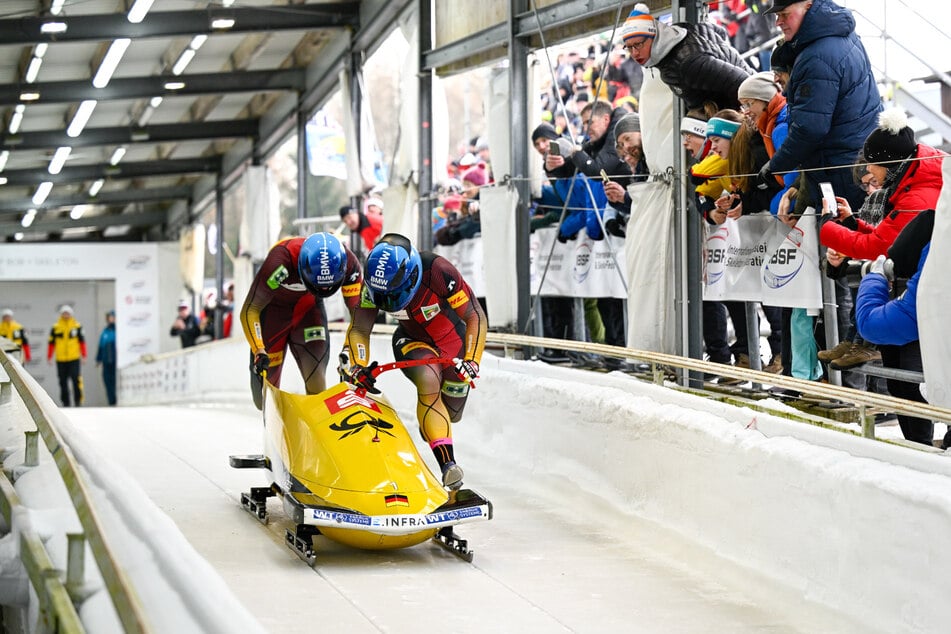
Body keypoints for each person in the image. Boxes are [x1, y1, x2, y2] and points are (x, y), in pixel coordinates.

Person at [342, 233, 487, 489]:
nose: (386, 302)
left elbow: (475, 315)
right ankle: (448, 465)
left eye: (392, 294)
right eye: (381, 296)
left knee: (453, 413)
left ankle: (432, 426)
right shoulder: (373, 285)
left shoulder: (438, 271)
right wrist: (358, 366)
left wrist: (472, 360)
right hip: (411, 342)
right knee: (428, 378)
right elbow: (358, 330)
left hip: (454, 345)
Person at [759, 0, 881, 215]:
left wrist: (775, 166)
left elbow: (810, 128)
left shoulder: (817, 56)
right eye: (776, 15)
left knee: (840, 245)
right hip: (855, 162)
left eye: (785, 14)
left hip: (839, 172)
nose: (778, 22)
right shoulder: (843, 37)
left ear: (807, 5)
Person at [240, 232, 363, 410]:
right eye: (318, 286)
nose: (324, 289)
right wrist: (259, 349)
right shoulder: (281, 260)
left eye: (329, 286)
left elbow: (360, 318)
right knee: (263, 398)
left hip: (308, 313)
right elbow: (250, 310)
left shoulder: (349, 264)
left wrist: (349, 352)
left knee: (317, 383)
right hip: (273, 317)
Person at [855, 210, 936, 446]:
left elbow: (872, 323)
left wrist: (875, 277)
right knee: (902, 381)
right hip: (906, 296)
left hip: (906, 306)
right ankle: (919, 445)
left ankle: (920, 446)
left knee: (911, 381)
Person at [620, 2, 752, 112]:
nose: (634, 53)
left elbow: (744, 83)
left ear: (655, 36)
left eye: (638, 44)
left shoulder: (687, 63)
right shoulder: (679, 32)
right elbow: (717, 31)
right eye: (629, 47)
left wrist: (736, 120)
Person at [47, 305, 86, 407]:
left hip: (74, 358)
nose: (66, 315)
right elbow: (51, 343)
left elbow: (82, 342)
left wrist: (84, 355)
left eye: (67, 313)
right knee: (62, 381)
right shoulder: (55, 327)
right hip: (61, 359)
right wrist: (49, 357)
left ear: (71, 314)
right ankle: (66, 403)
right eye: (64, 313)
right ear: (61, 314)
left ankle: (78, 401)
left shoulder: (77, 326)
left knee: (75, 379)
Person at [96, 310, 117, 406]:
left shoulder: (119, 330)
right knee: (107, 381)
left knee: (115, 381)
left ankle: (116, 400)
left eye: (112, 317)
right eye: (109, 317)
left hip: (116, 362)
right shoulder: (105, 331)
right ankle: (111, 401)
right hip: (106, 361)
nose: (111, 319)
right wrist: (98, 359)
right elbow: (101, 346)